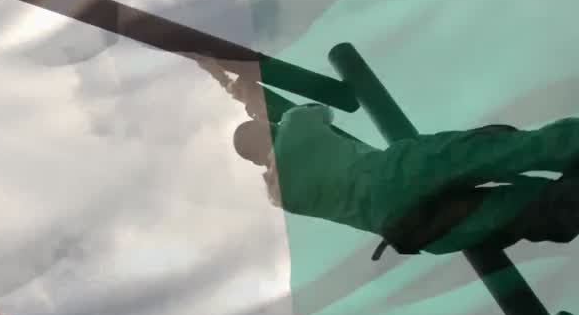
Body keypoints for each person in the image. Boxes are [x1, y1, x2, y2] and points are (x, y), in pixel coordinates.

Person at [233, 103, 579, 254]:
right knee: (507, 150)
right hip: (397, 171)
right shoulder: (295, 125)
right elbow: (321, 113)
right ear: (265, 128)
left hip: (406, 227)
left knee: (526, 213)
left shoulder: (283, 197)